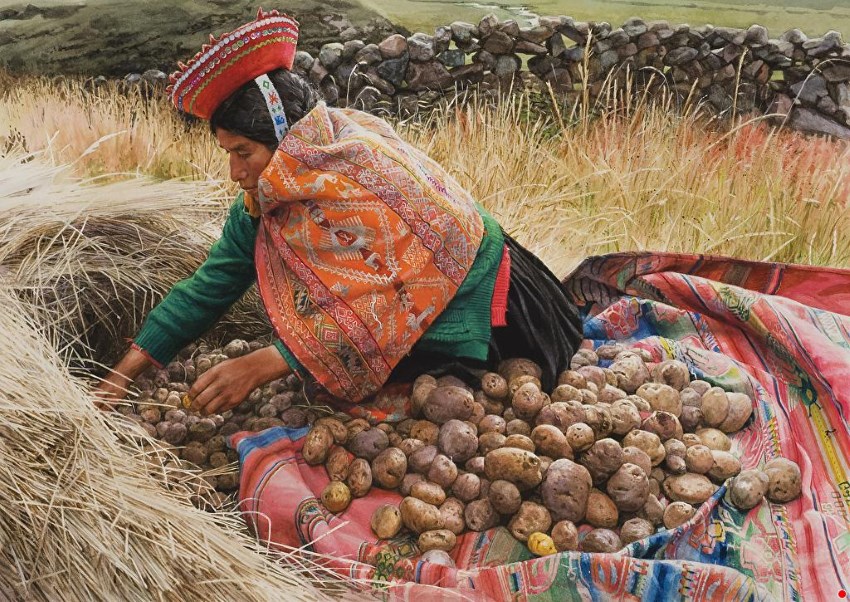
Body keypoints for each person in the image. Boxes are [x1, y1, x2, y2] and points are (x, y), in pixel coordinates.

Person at [95, 9, 583, 414]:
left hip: (491, 308)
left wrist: (267, 362)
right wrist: (125, 372)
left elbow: (393, 290)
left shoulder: (361, 166)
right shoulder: (265, 202)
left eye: (243, 152)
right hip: (412, 322)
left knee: (432, 404)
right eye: (228, 153)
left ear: (287, 143)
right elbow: (209, 286)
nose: (234, 171)